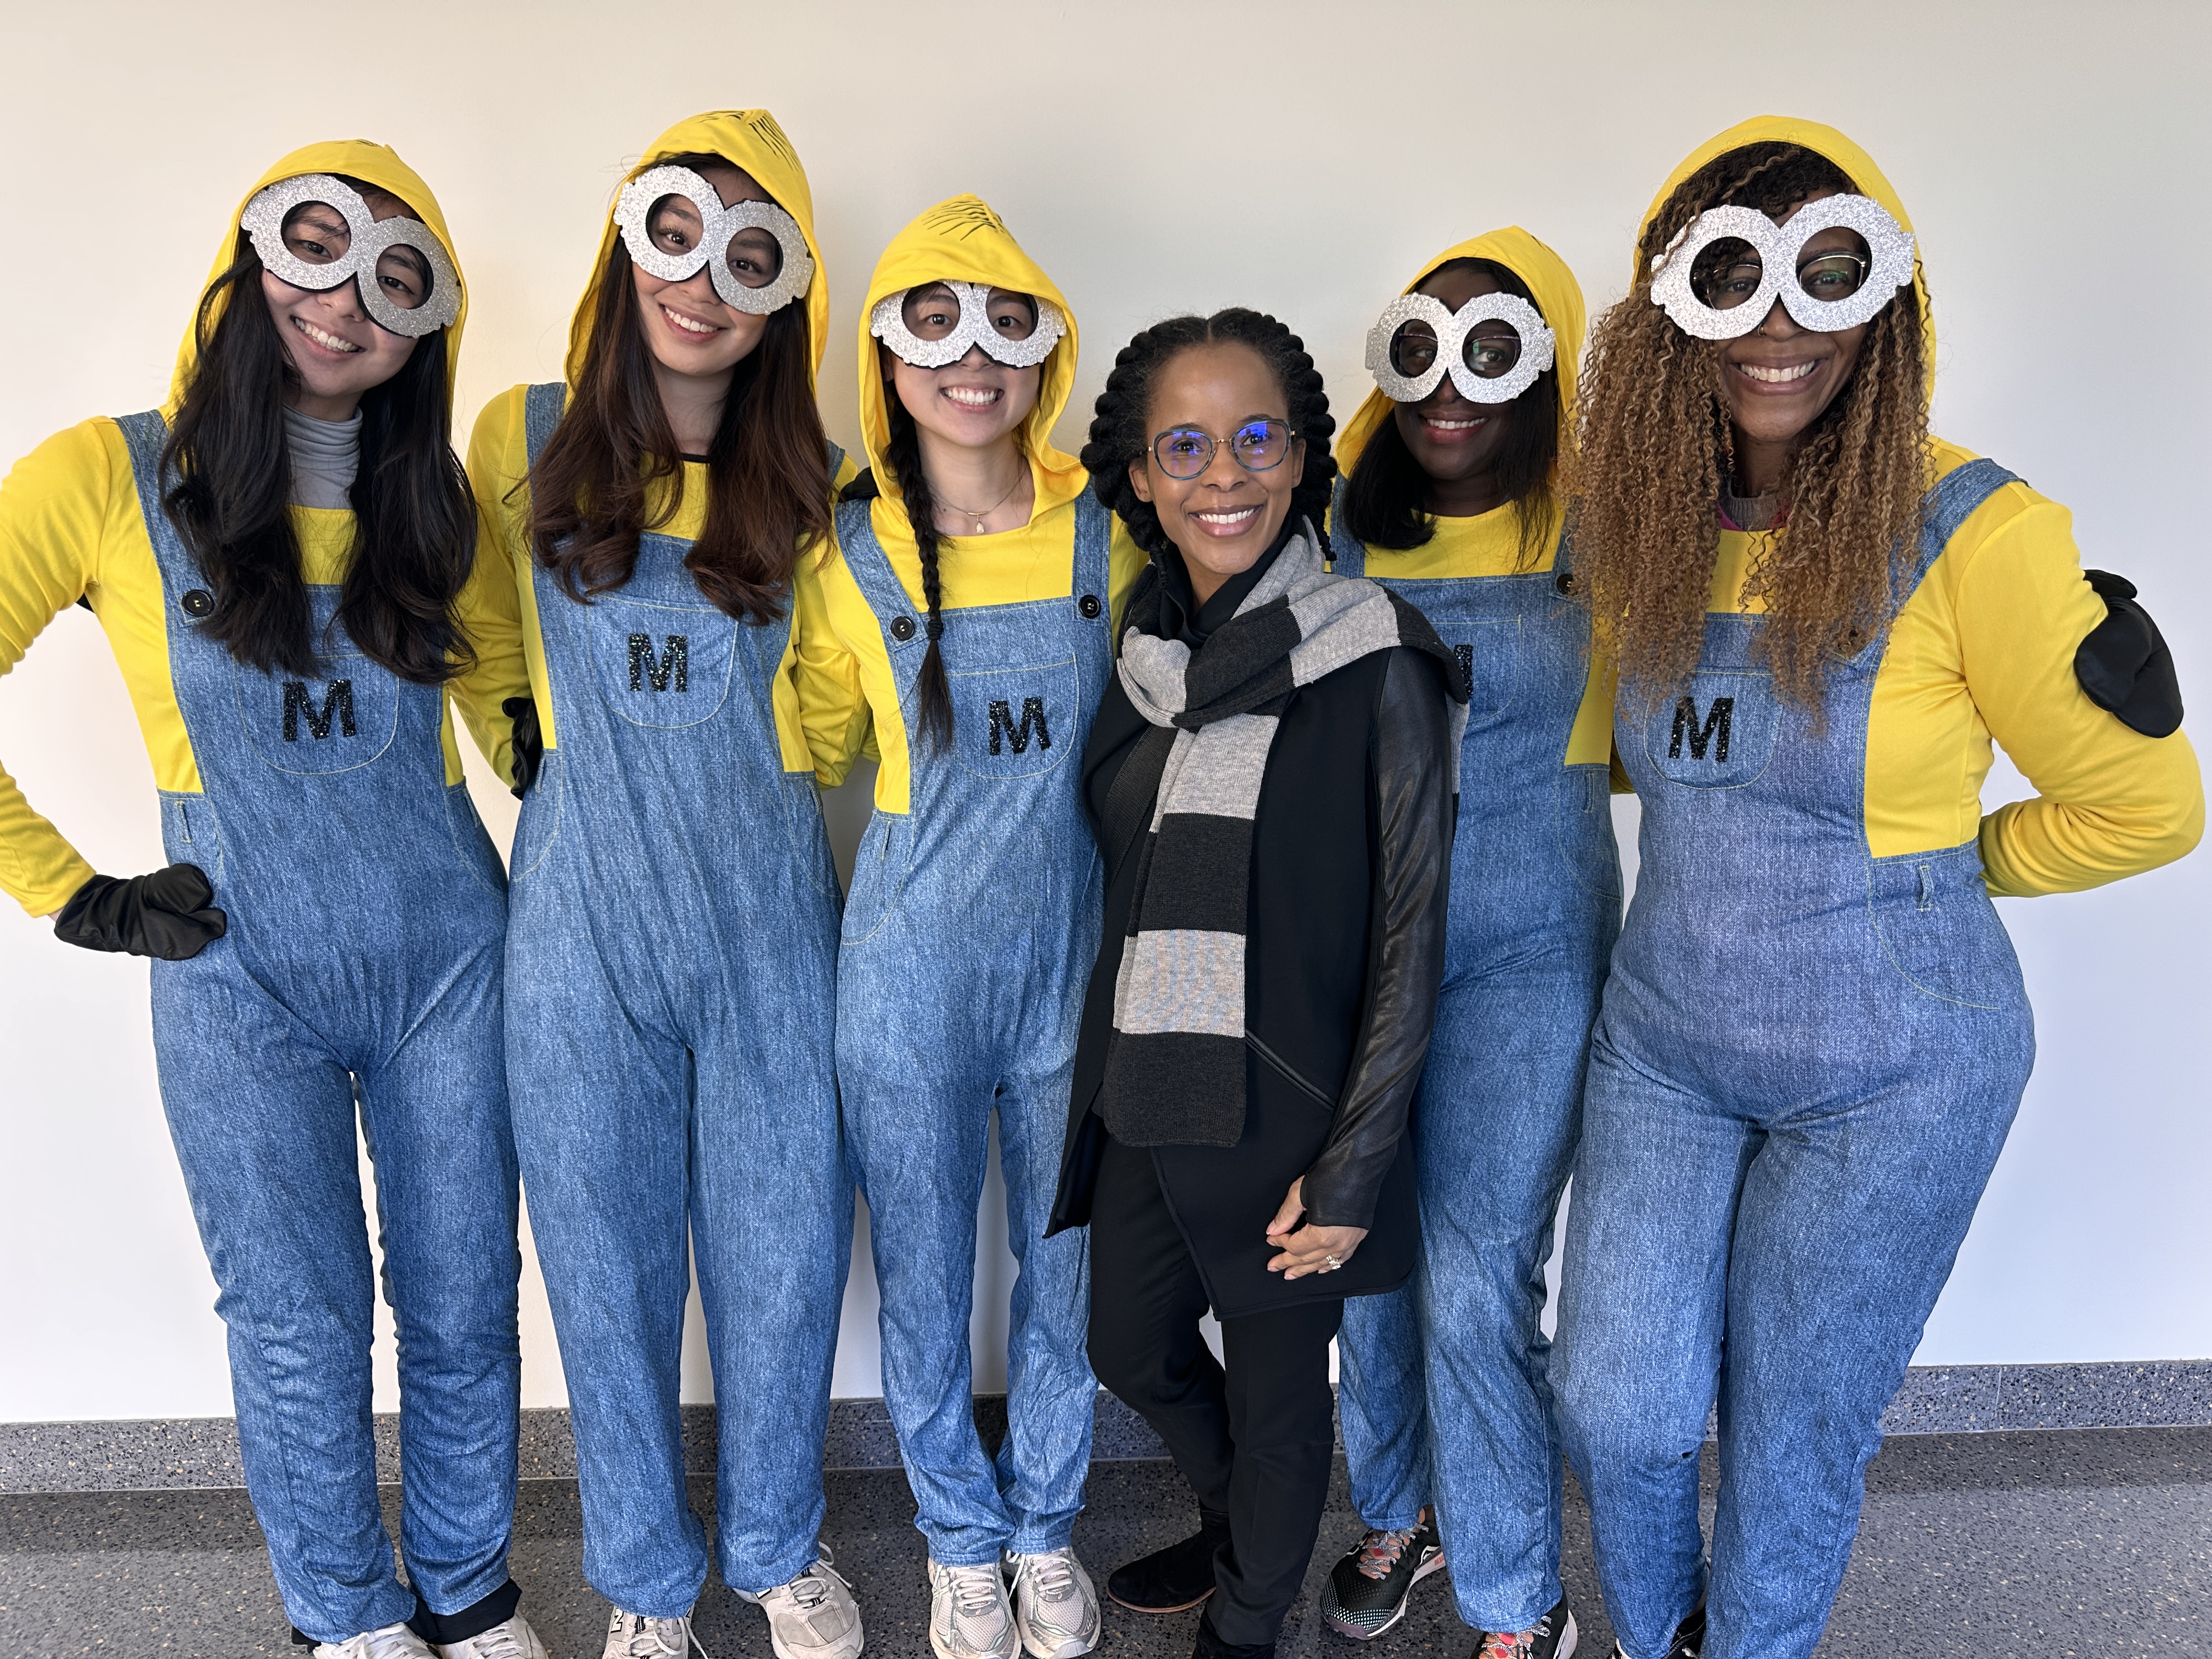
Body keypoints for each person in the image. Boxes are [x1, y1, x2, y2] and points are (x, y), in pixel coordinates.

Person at [1549, 116, 2202, 1659]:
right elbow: (1646, 761)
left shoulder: (1977, 528)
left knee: (1791, 1433)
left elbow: (2146, 805)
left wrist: (1941, 869)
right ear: (1670, 310)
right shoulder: (1635, 519)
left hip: (1895, 1062)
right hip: (1667, 1040)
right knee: (1618, 1405)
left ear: (1885, 297)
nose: (1780, 322)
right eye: (1732, 277)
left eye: (1828, 273)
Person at [0, 144, 543, 1659]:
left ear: (428, 326)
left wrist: (582, 830)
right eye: (319, 246)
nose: (345, 301)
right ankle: (345, 1617)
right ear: (255, 256)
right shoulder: (103, 478)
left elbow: (507, 695)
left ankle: (469, 1589)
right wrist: (71, 892)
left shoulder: (431, 503)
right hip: (235, 967)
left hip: (451, 958)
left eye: (396, 280)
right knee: (297, 1319)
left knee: (461, 1297)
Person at [464, 110, 860, 1659]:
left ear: (784, 297)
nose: (705, 282)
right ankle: (643, 1579)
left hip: (768, 921)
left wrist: (778, 772)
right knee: (603, 1258)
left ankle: (775, 1547)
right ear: (632, 237)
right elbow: (486, 627)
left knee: (780, 1254)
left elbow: (836, 686)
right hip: (578, 924)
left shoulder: (821, 477)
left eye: (749, 257)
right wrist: (525, 749)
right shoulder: (524, 432)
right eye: (680, 233)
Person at [1050, 308, 1465, 1659]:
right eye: (1185, 445)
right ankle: (1250, 1530)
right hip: (1147, 1084)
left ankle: (1247, 1625)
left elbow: (1413, 922)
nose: (1221, 475)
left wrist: (1353, 1170)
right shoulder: (1141, 657)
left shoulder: (1378, 653)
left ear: (1299, 460)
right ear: (1140, 474)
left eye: (1253, 440)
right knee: (1131, 1346)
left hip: (1292, 1100)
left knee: (1285, 1404)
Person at [804, 193, 1144, 1659]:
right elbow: (815, 748)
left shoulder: (1111, 534)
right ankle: (959, 1541)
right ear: (886, 352)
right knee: (929, 1276)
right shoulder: (844, 551)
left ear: (1047, 349)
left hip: (1074, 964)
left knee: (1065, 1265)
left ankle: (1046, 1527)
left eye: (1007, 322)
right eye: (932, 321)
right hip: (905, 977)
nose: (971, 356)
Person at [1322, 229, 1617, 1659]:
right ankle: (1399, 1510)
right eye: (1423, 347)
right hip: (1365, 936)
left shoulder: (1603, 532)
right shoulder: (1335, 527)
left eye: (1493, 347)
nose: (1452, 386)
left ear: (1544, 364)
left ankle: (1517, 1598)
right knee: (1364, 1248)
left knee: (1478, 1260)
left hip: (1533, 937)